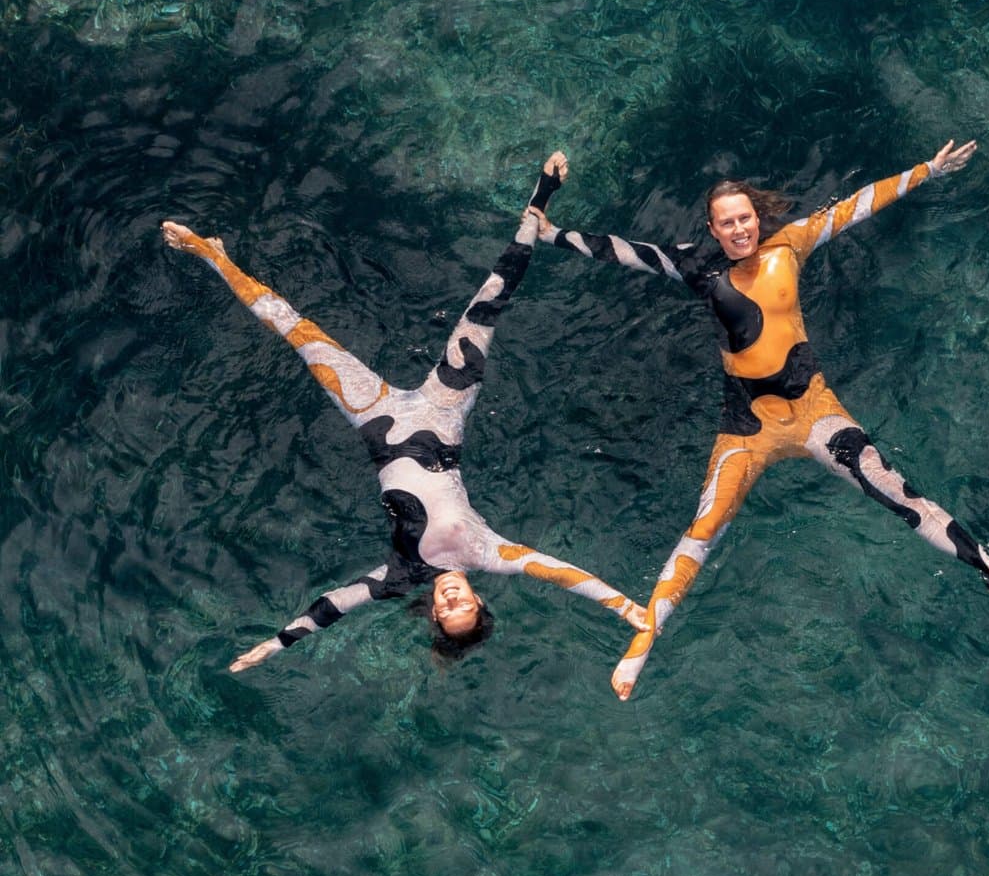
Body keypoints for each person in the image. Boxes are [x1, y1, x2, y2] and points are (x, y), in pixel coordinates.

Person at [533, 140, 989, 699]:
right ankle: (645, 637)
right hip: (747, 427)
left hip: (814, 413)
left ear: (757, 218)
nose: (739, 230)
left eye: (745, 219)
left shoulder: (790, 244)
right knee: (704, 527)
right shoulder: (697, 267)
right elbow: (622, 251)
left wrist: (929, 170)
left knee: (895, 491)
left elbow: (855, 206)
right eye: (727, 223)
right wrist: (551, 232)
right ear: (712, 229)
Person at [162, 152, 646, 673]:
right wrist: (625, 608)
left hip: (376, 422)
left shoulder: (401, 575)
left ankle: (213, 255)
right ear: (478, 598)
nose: (453, 602)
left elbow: (333, 606)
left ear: (434, 614)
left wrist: (276, 644)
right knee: (488, 303)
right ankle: (539, 203)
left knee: (296, 332)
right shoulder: (488, 552)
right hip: (444, 413)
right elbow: (561, 573)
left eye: (446, 613)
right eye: (465, 607)